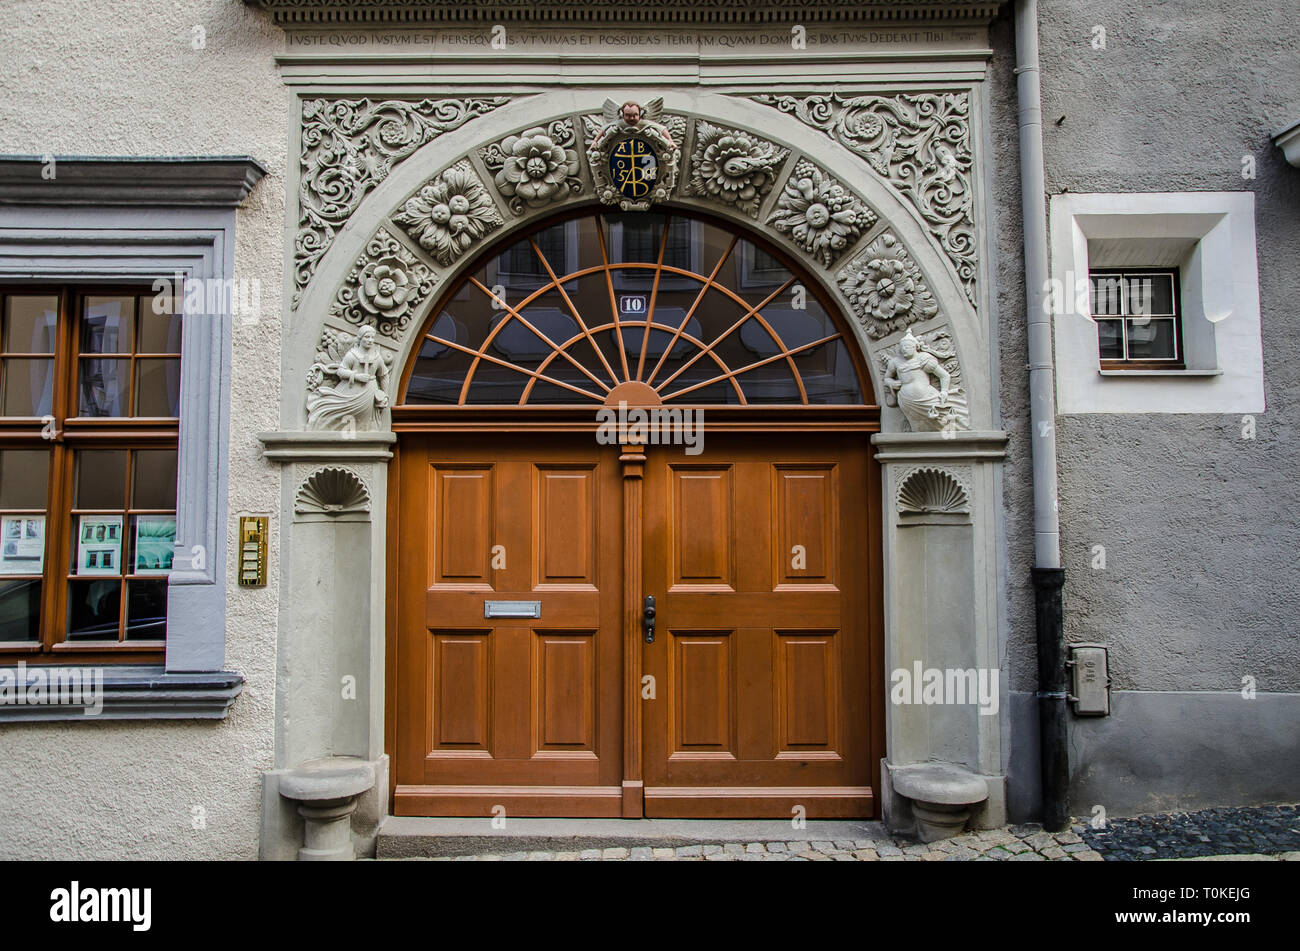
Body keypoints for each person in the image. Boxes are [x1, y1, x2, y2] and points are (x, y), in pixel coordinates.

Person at [306, 325, 391, 430]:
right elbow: (341, 371)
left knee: (368, 423)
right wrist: (356, 376)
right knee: (338, 413)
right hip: (352, 391)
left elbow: (383, 375)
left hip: (370, 392)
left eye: (372, 338)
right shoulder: (352, 355)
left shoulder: (376, 356)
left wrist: (385, 394)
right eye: (367, 337)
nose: (370, 340)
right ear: (360, 338)